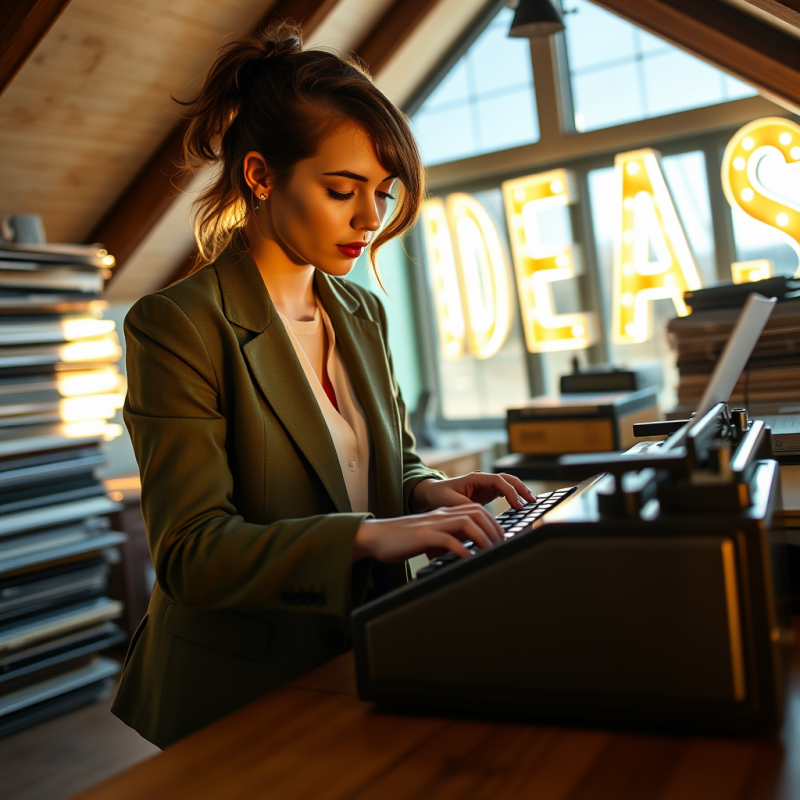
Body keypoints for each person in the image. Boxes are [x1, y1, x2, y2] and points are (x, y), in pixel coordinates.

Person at [112, 21, 535, 748]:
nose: (370, 219)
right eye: (343, 189)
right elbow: (192, 553)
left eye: (381, 191)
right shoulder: (176, 325)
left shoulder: (361, 311)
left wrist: (429, 490)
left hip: (363, 658)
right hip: (238, 698)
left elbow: (385, 460)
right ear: (260, 176)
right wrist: (369, 537)